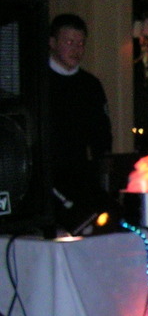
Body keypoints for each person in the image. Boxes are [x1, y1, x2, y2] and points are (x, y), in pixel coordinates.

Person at [47, 13, 113, 214]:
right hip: (45, 177)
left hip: (81, 175)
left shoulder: (90, 85)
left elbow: (102, 136)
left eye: (81, 43)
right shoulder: (38, 81)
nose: (76, 50)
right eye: (69, 42)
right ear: (52, 42)